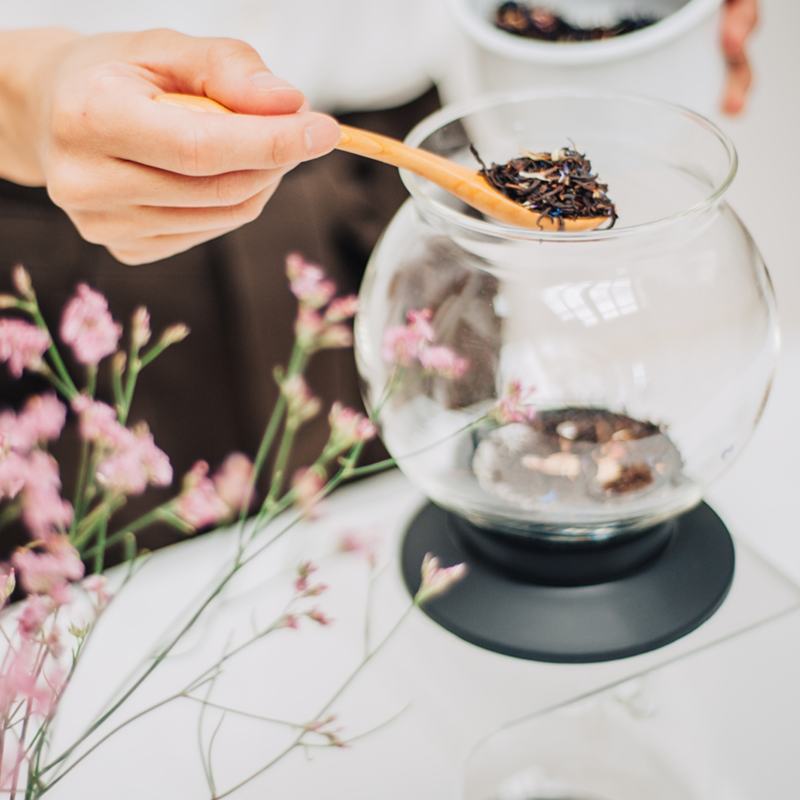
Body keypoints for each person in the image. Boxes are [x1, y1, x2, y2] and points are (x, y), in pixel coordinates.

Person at [0, 1, 758, 557]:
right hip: (88, 193)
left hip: (395, 164)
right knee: (141, 573)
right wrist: (32, 93)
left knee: (394, 533)